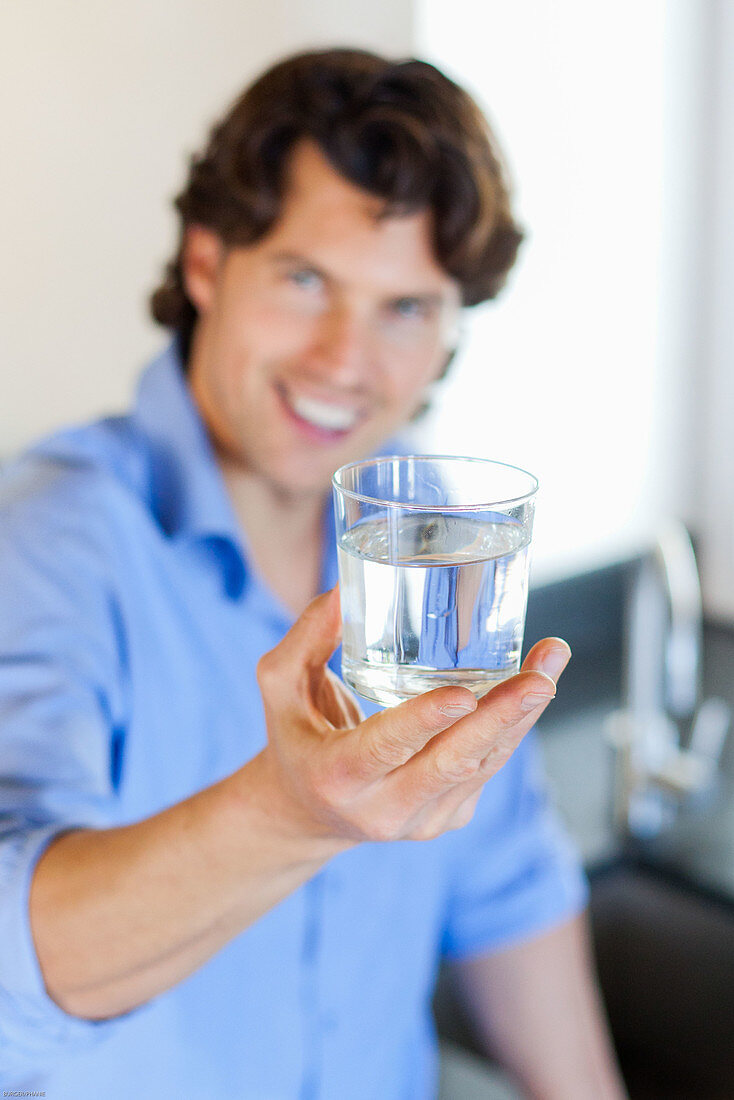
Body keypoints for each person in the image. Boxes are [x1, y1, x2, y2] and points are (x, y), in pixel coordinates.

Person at [0, 48, 626, 1099]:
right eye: (304, 280)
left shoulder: (439, 541)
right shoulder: (50, 540)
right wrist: (290, 811)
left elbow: (509, 893)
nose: (345, 359)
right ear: (206, 263)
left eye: (405, 307)